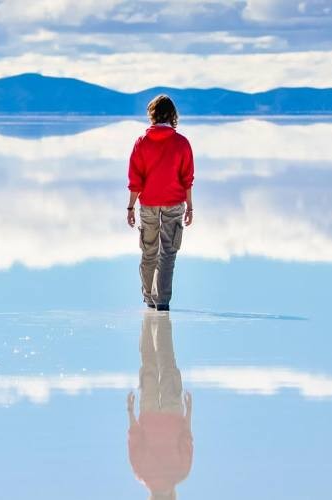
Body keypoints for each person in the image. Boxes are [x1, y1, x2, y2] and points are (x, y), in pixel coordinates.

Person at [126, 95, 195, 311]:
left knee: (148, 251)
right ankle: (162, 301)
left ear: (152, 115)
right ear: (173, 116)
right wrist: (190, 206)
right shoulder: (182, 143)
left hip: (148, 204)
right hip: (174, 204)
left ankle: (148, 298)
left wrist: (130, 207)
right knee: (168, 253)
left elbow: (135, 179)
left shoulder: (142, 143)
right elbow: (187, 178)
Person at [127, 311, 194, 500]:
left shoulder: (181, 473)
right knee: (148, 364)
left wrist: (189, 411)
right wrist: (130, 411)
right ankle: (149, 319)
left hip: (172, 411)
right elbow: (134, 437)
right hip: (149, 412)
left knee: (166, 361)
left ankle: (159, 317)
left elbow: (186, 438)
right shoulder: (141, 473)